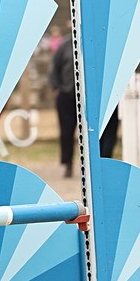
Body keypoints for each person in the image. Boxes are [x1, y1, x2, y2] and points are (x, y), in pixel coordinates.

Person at [49, 38, 77, 177]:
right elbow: (54, 68)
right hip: (66, 95)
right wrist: (56, 88)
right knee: (66, 132)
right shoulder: (65, 46)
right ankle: (68, 164)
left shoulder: (92, 44)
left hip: (87, 98)